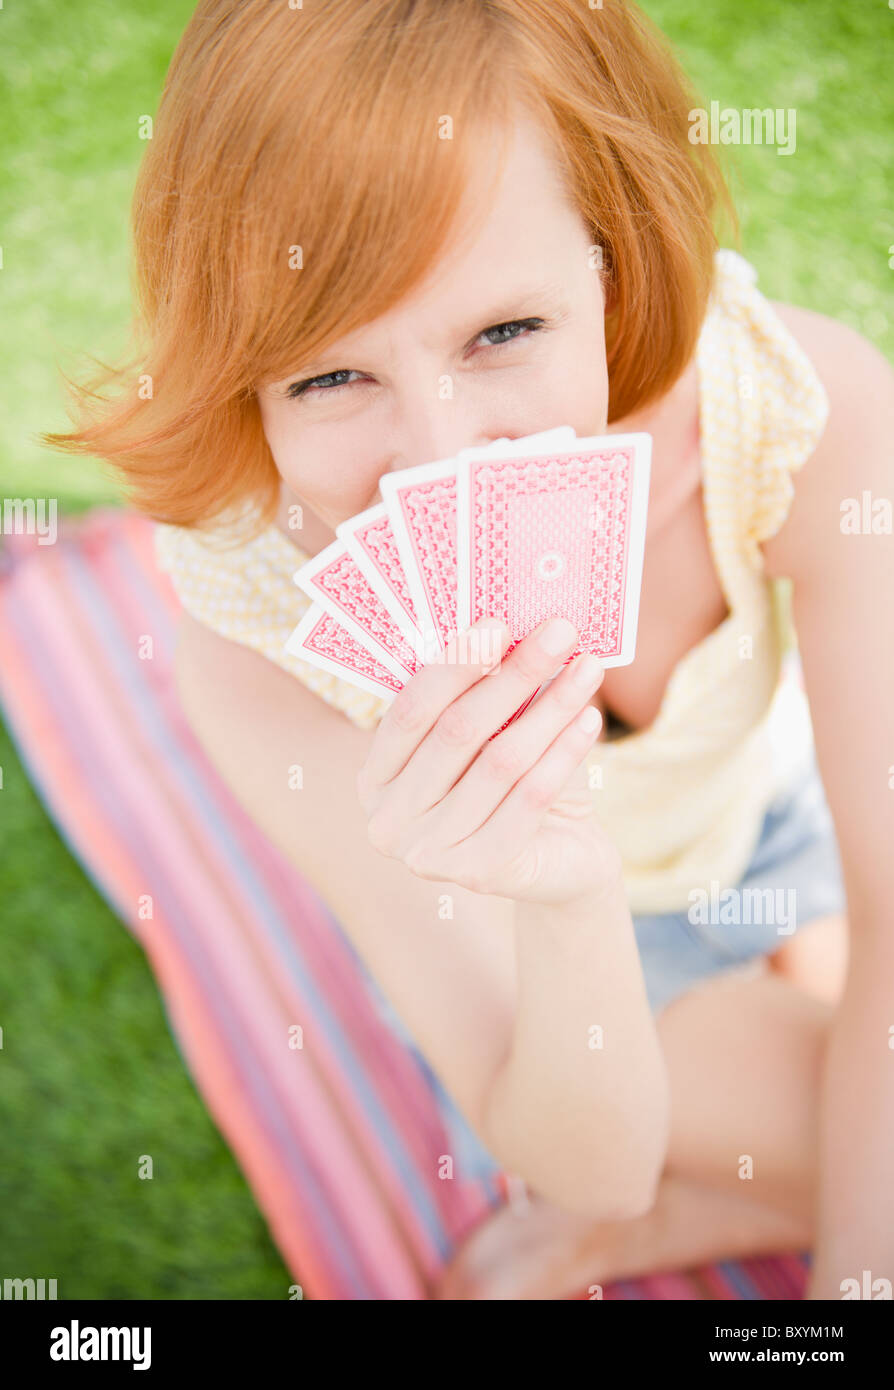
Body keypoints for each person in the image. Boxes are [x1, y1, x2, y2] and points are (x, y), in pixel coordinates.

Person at [42, 0, 893, 1300]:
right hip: (580, 960)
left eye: (503, 332)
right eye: (329, 378)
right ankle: (691, 1191)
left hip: (783, 827)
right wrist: (562, 890)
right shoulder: (260, 627)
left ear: (614, 262)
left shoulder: (793, 418)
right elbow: (582, 1155)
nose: (445, 459)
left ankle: (706, 1203)